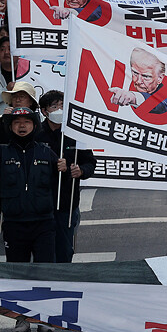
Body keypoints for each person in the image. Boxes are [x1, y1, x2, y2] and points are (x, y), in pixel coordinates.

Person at [0, 107, 64, 267]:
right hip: (14, 224)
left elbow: (64, 182)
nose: (22, 126)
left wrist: (68, 169)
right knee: (17, 274)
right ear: (10, 126)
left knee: (45, 271)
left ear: (34, 125)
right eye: (17, 122)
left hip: (44, 224)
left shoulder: (47, 152)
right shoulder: (0, 152)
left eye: (27, 122)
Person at [37, 90, 96, 263]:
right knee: (44, 249)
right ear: (44, 111)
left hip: (67, 202)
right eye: (54, 106)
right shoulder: (36, 133)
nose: (59, 110)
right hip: (41, 202)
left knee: (64, 248)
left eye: (62, 106)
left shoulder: (75, 134)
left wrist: (81, 171)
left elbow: (90, 162)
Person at [109, 47, 167, 115]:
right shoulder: (123, 79)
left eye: (146, 76)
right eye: (135, 73)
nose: (138, 81)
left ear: (160, 78)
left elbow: (162, 105)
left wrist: (133, 97)